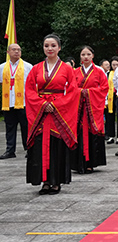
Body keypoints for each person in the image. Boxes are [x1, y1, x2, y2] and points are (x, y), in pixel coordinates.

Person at [25, 34, 80, 195]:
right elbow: (29, 90)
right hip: (41, 112)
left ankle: (56, 181)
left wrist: (55, 105)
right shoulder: (36, 68)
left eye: (53, 45)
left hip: (59, 112)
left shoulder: (67, 68)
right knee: (40, 146)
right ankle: (45, 181)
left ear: (59, 48)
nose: (50, 48)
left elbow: (72, 91)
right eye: (46, 45)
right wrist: (42, 104)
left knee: (57, 146)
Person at [70, 46, 109, 174]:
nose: (85, 57)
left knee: (92, 132)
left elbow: (104, 88)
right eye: (83, 54)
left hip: (92, 108)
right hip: (79, 109)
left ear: (93, 56)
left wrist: (88, 92)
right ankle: (78, 163)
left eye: (88, 54)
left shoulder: (99, 72)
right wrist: (81, 92)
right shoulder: (75, 72)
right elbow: (70, 89)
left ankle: (90, 163)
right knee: (79, 133)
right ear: (80, 57)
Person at [0, 44, 33, 159]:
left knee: (26, 127)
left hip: (23, 102)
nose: (17, 52)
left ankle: (29, 149)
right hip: (8, 102)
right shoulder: (2, 67)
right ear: (8, 52)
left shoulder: (28, 67)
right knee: (10, 127)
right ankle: (10, 150)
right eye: (14, 50)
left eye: (19, 50)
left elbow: (33, 84)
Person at [104, 56, 118, 144]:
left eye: (116, 65)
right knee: (110, 117)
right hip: (110, 97)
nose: (115, 66)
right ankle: (111, 136)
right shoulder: (108, 74)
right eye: (113, 65)